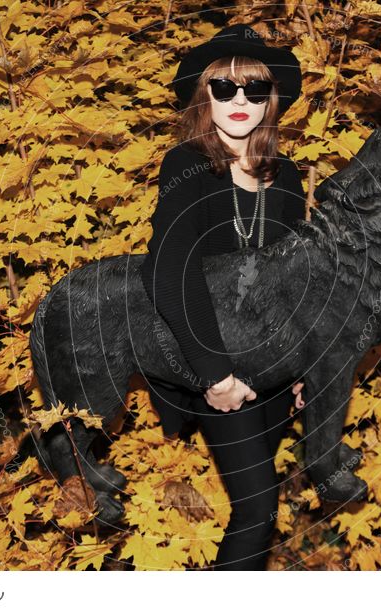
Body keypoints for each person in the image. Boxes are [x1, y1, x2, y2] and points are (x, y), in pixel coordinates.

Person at [139, 24, 307, 570]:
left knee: (256, 503)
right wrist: (214, 372)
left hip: (276, 370)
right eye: (224, 87)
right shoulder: (186, 166)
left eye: (254, 89)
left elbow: (295, 281)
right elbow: (168, 270)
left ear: (270, 100)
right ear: (203, 95)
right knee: (259, 506)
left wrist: (308, 363)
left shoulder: (287, 177)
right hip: (217, 367)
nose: (240, 101)